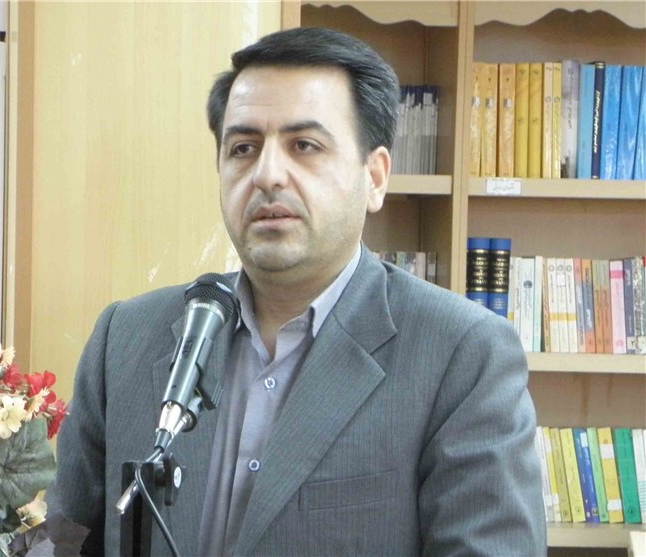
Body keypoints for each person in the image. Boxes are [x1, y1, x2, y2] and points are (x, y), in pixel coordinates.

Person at [47, 27, 546, 556]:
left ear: (375, 177)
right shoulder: (125, 339)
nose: (267, 175)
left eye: (304, 146)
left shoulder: (461, 355)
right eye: (243, 148)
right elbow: (66, 541)